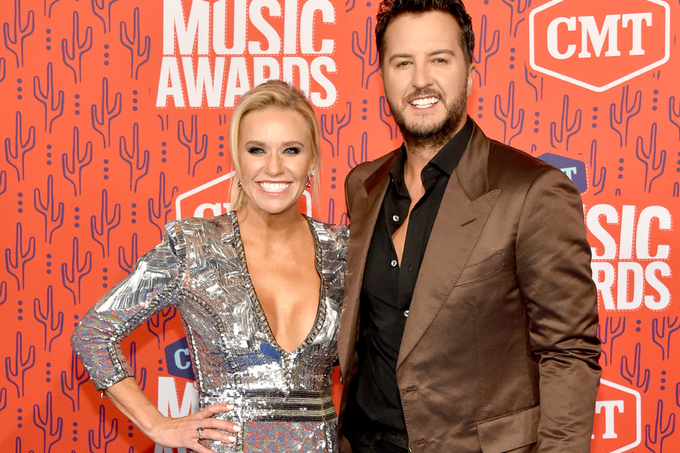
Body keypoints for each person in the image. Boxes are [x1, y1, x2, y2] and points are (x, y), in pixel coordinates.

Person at [336, 0, 601, 452]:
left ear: (471, 73)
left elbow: (569, 352)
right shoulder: (363, 185)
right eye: (403, 62)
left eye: (439, 59)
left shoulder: (532, 191)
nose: (421, 79)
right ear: (382, 77)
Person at [72, 80, 348, 453]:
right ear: (238, 159)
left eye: (291, 150)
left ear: (311, 160)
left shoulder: (343, 251)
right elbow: (94, 334)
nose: (274, 167)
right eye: (257, 150)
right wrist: (157, 424)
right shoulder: (195, 246)